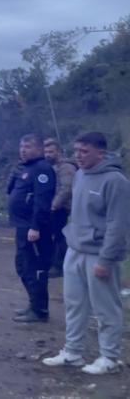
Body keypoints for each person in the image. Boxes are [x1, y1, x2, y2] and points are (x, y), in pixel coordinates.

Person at [42, 132, 129, 375]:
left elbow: (118, 224)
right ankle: (73, 352)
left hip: (99, 254)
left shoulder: (116, 181)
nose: (78, 156)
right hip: (75, 250)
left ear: (101, 153)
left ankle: (110, 358)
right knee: (74, 304)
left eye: (84, 151)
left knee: (106, 308)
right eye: (76, 150)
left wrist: (106, 259)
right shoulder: (80, 175)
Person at [7, 134, 56, 323]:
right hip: (22, 226)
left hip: (33, 229)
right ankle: (33, 303)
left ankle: (40, 310)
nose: (23, 150)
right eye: (21, 146)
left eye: (27, 147)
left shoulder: (42, 169)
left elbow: (42, 201)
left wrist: (35, 226)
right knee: (22, 266)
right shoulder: (26, 168)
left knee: (34, 268)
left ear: (39, 149)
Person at [43, 139, 76, 278]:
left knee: (60, 237)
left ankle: (59, 266)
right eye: (46, 152)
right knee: (53, 236)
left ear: (59, 152)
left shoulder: (66, 167)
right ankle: (53, 263)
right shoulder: (51, 166)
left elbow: (67, 189)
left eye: (51, 151)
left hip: (62, 208)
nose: (48, 154)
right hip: (53, 207)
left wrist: (54, 205)